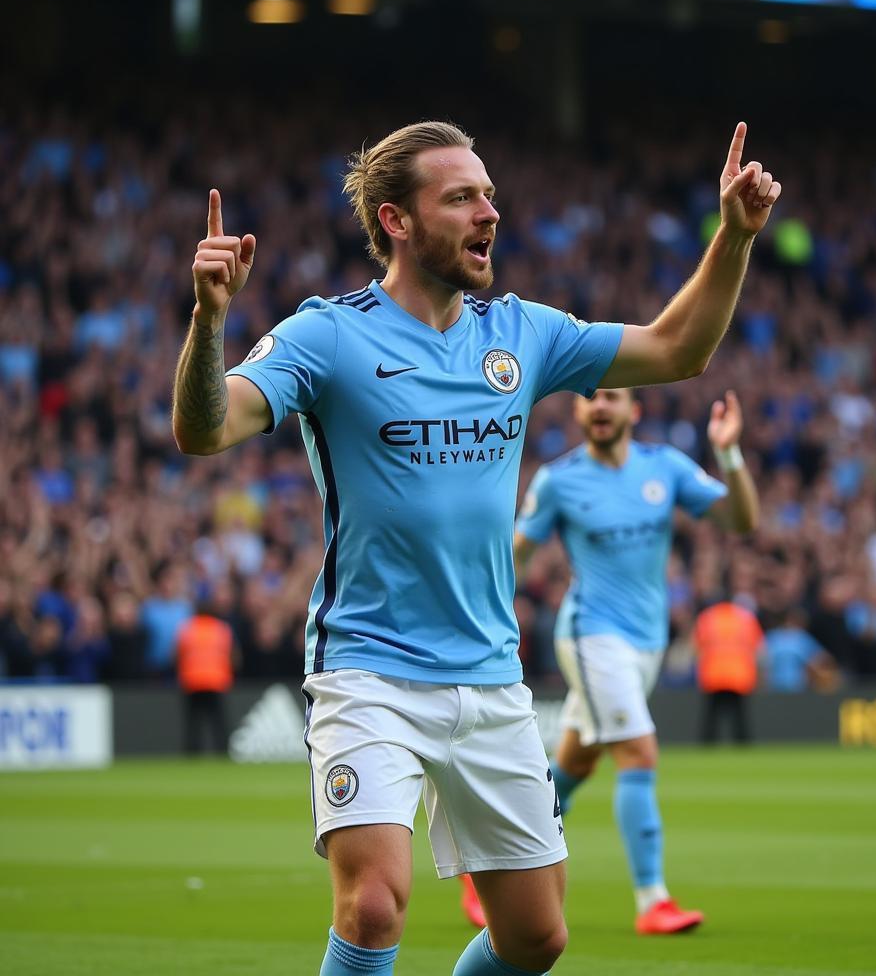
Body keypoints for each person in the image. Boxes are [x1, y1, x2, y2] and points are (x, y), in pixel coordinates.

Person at [172, 119, 780, 976]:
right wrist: (208, 322)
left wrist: (735, 237)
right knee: (374, 905)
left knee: (536, 938)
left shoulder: (521, 333)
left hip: (491, 676)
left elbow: (678, 349)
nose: (489, 211)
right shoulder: (328, 335)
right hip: (367, 665)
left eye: (489, 193)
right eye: (461, 197)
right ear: (397, 221)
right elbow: (203, 429)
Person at [495, 386, 758, 936]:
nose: (599, 407)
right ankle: (652, 900)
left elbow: (739, 521)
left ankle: (493, 865)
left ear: (634, 411)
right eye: (589, 399)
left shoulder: (665, 468)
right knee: (638, 751)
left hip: (646, 643)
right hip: (591, 636)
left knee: (576, 763)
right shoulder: (559, 481)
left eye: (611, 397)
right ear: (578, 412)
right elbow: (513, 555)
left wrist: (729, 454)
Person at [693, 597, 764, 744]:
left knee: (712, 715)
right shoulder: (746, 617)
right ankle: (743, 746)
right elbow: (759, 648)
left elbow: (697, 647)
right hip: (739, 673)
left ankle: (708, 746)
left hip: (714, 673)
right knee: (739, 715)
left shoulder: (707, 617)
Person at [176, 601, 236, 754]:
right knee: (218, 721)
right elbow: (232, 655)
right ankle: (223, 751)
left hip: (192, 681)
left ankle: (192, 752)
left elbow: (177, 654)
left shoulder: (187, 628)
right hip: (216, 680)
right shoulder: (221, 628)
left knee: (194, 722)